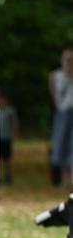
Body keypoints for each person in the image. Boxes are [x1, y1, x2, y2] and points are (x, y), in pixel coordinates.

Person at [49, 49, 73, 187]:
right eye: (67, 59)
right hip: (62, 113)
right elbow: (54, 96)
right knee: (61, 144)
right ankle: (64, 180)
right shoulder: (55, 76)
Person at [0, 87, 18, 185]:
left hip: (6, 137)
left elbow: (14, 123)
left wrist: (14, 133)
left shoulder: (9, 111)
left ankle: (8, 175)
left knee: (7, 158)